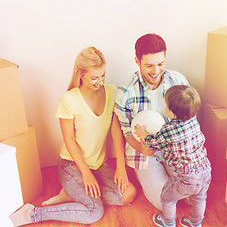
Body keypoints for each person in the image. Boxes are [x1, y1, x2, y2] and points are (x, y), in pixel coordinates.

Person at [10, 47, 137, 226]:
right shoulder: (69, 99)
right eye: (94, 77)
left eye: (103, 76)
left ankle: (73, 194)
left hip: (99, 165)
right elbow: (69, 140)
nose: (99, 82)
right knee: (94, 211)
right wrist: (85, 173)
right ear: (81, 74)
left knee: (129, 194)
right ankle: (33, 214)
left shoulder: (111, 92)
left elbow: (117, 132)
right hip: (72, 164)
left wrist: (121, 168)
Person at [114, 33, 190, 210]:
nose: (156, 71)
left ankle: (170, 178)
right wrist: (143, 148)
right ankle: (154, 178)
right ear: (137, 61)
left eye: (160, 64)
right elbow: (126, 131)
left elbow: (189, 120)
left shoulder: (178, 81)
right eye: (149, 65)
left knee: (190, 198)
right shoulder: (125, 93)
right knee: (164, 203)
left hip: (174, 147)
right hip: (144, 153)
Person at [134, 85, 212, 227]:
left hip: (185, 177)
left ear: (173, 113)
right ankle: (195, 222)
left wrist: (142, 133)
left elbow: (153, 142)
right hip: (205, 171)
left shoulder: (169, 130)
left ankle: (168, 222)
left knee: (167, 198)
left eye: (166, 106)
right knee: (200, 198)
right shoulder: (193, 122)